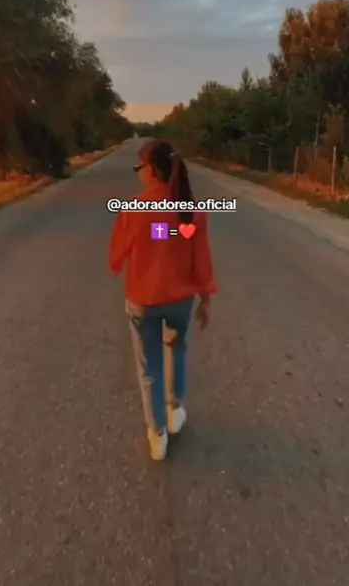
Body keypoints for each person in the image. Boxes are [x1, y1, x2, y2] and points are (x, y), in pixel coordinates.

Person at [109, 138, 217, 461]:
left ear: (152, 171)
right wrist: (206, 297)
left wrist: (124, 256)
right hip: (180, 301)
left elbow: (121, 249)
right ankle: (174, 409)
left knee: (149, 368)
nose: (138, 174)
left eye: (138, 167)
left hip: (143, 301)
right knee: (177, 348)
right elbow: (199, 256)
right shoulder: (192, 212)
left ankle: (157, 435)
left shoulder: (135, 209)